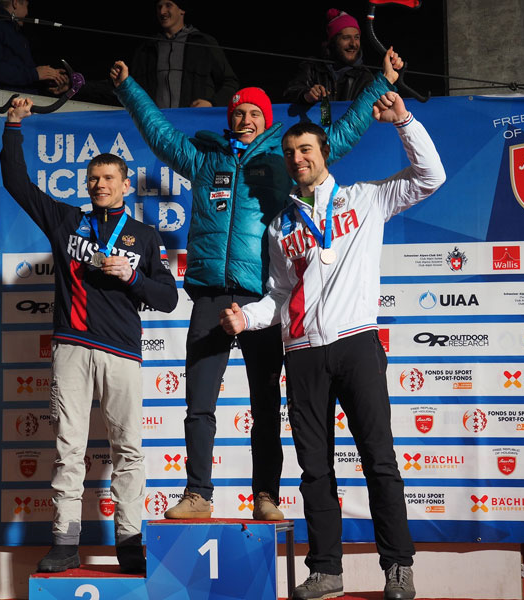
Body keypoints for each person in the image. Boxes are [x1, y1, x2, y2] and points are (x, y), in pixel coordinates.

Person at [109, 46, 405, 522]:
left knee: (265, 404)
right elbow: (159, 134)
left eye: (253, 112)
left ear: (264, 119)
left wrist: (383, 82)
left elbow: (342, 134)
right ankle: (198, 494)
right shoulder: (204, 161)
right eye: (239, 112)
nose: (245, 118)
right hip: (210, 295)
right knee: (198, 403)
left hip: (263, 297)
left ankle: (265, 495)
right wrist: (128, 88)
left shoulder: (281, 158)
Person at [219, 92, 446, 600]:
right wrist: (246, 317)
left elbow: (431, 177)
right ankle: (326, 570)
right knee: (314, 469)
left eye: (306, 150)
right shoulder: (281, 226)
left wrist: (403, 122)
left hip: (356, 344)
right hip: (301, 354)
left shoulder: (366, 199)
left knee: (379, 460)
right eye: (291, 153)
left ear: (324, 154)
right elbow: (279, 295)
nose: (298, 159)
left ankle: (398, 567)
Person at [0, 97, 178, 573]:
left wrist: (133, 277)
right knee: (68, 449)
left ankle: (129, 543)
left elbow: (168, 298)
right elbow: (16, 183)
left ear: (124, 185)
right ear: (87, 185)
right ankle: (63, 540)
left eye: (109, 178)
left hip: (121, 351)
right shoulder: (66, 220)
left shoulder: (143, 235)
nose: (100, 184)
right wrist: (14, 125)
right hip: (72, 346)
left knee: (129, 451)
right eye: (93, 179)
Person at [130, 0, 239, 108]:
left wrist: (212, 103)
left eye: (168, 5)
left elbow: (230, 82)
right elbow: (132, 87)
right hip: (155, 122)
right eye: (159, 7)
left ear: (182, 10)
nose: (162, 11)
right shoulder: (146, 48)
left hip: (193, 120)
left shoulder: (203, 43)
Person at [283, 8, 375, 106]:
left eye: (356, 37)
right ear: (332, 41)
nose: (353, 44)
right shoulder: (312, 67)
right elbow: (289, 94)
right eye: (346, 38)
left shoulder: (365, 77)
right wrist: (307, 96)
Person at [0, 0, 69, 95]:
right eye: (26, 6)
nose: (27, 12)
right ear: (15, 3)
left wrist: (48, 81)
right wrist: (35, 74)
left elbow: (22, 75)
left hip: (21, 102)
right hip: (7, 103)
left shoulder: (13, 31)